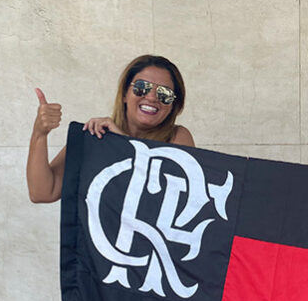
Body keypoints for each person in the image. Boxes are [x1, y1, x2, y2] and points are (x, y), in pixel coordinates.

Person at [27, 54, 195, 203]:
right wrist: (39, 134)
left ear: (174, 105)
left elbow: (175, 197)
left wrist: (120, 142)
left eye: (164, 94)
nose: (151, 97)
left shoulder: (178, 137)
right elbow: (42, 193)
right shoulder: (95, 136)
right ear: (124, 94)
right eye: (142, 87)